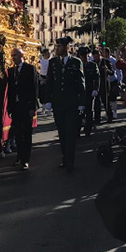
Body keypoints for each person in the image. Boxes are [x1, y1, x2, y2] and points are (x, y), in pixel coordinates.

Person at [45, 36, 85, 171]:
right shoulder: (53, 63)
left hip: (71, 103)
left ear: (67, 48)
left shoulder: (76, 62)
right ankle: (65, 158)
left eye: (59, 47)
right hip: (58, 103)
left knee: (70, 133)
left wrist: (81, 102)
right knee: (62, 132)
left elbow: (81, 83)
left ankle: (70, 161)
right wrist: (48, 100)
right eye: (56, 47)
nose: (57, 49)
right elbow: (49, 82)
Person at [6, 48, 39, 170]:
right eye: (12, 56)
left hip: (26, 106)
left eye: (15, 55)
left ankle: (26, 159)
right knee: (18, 133)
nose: (13, 58)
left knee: (26, 133)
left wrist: (33, 107)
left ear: (21, 55)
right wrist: (9, 108)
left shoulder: (30, 69)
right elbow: (10, 91)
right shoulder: (11, 71)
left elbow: (34, 88)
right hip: (16, 107)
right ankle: (19, 156)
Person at [79, 47, 100, 137]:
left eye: (86, 56)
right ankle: (77, 128)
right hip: (79, 92)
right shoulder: (76, 65)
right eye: (82, 56)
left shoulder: (92, 65)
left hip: (89, 91)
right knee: (78, 112)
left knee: (89, 111)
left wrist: (96, 89)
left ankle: (88, 129)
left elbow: (97, 78)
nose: (84, 58)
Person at [92, 50, 113, 124]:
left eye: (97, 56)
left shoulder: (105, 61)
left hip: (104, 84)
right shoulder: (93, 63)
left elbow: (112, 72)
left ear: (99, 55)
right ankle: (97, 119)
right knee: (97, 103)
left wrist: (107, 70)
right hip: (96, 85)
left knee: (106, 101)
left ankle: (110, 116)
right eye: (94, 56)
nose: (95, 58)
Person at [102, 47, 121, 120]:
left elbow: (118, 70)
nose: (103, 53)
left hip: (113, 80)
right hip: (106, 81)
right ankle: (109, 112)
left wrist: (119, 80)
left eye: (104, 52)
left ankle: (115, 112)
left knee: (113, 98)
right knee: (107, 98)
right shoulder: (102, 60)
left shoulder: (112, 60)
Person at [39, 48, 51, 113]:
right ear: (44, 54)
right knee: (42, 94)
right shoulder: (40, 61)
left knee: (49, 93)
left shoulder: (51, 61)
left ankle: (49, 109)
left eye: (49, 53)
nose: (49, 54)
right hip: (42, 78)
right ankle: (43, 108)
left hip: (48, 78)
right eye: (47, 53)